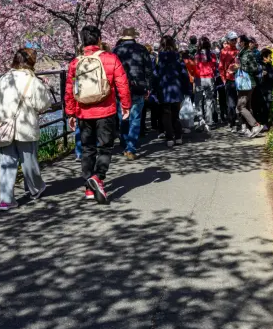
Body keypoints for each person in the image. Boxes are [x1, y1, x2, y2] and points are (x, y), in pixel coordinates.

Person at [65, 25, 131, 204]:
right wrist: (126, 105)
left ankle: (88, 187)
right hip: (106, 111)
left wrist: (70, 112)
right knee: (105, 147)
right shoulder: (110, 58)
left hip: (83, 112)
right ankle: (98, 177)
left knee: (87, 148)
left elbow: (70, 89)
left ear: (82, 41)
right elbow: (122, 84)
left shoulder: (75, 62)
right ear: (99, 40)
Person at [0, 48, 51, 209]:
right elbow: (42, 104)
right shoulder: (32, 80)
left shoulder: (4, 78)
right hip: (25, 126)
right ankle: (35, 189)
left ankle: (6, 199)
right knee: (29, 161)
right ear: (31, 62)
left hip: (5, 126)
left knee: (7, 162)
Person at [113, 27, 154, 160]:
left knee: (123, 116)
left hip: (120, 88)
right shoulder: (142, 49)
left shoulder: (116, 50)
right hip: (138, 87)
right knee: (135, 118)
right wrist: (148, 87)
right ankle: (130, 147)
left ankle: (124, 143)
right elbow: (148, 69)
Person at [153, 34, 191, 148]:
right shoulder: (178, 57)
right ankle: (178, 137)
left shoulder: (158, 58)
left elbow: (155, 75)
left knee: (166, 114)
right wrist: (187, 89)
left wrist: (154, 88)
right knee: (176, 114)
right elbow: (184, 74)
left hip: (164, 89)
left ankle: (170, 137)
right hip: (176, 89)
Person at [235, 35, 266, 138]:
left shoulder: (249, 53)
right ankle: (250, 128)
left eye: (240, 42)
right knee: (247, 106)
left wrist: (241, 66)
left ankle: (255, 125)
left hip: (248, 83)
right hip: (243, 82)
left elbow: (254, 68)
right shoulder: (242, 53)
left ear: (244, 42)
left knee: (240, 106)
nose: (238, 43)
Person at [193, 36, 218, 131]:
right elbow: (215, 66)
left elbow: (195, 67)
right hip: (210, 79)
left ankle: (200, 121)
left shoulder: (197, 55)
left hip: (200, 79)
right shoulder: (212, 54)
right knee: (209, 100)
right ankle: (209, 121)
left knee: (198, 101)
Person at [219, 32, 240, 130]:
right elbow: (221, 67)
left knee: (239, 102)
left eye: (236, 39)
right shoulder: (224, 52)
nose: (234, 41)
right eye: (232, 39)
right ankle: (232, 122)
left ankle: (237, 122)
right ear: (227, 40)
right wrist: (223, 79)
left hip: (239, 79)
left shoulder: (239, 50)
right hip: (230, 79)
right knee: (231, 103)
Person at [258, 48, 273, 126]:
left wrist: (268, 75)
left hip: (269, 88)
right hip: (262, 90)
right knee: (263, 106)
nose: (271, 58)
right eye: (270, 56)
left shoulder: (270, 65)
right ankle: (263, 123)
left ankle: (266, 123)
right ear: (264, 57)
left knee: (268, 105)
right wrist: (262, 75)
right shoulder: (259, 66)